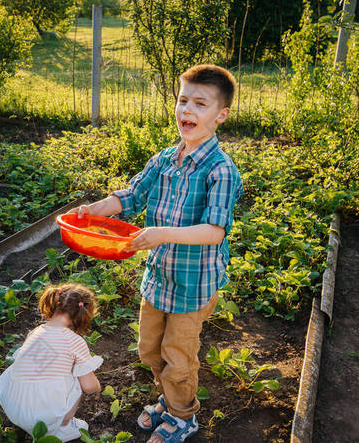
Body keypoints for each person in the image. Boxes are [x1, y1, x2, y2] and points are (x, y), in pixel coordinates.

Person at [70, 64, 243, 443]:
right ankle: (167, 397)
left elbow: (214, 232)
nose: (187, 111)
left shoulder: (221, 170)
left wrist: (162, 233)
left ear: (221, 114)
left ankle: (183, 415)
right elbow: (132, 195)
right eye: (183, 101)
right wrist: (94, 210)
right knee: (150, 349)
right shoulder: (165, 159)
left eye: (200, 104)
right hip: (159, 278)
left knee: (178, 358)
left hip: (193, 285)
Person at [0, 282, 103, 442]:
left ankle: (29, 424)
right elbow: (89, 387)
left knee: (39, 367)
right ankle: (61, 427)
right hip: (44, 418)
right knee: (76, 378)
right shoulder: (74, 341)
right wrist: (98, 387)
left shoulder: (36, 331)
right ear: (83, 314)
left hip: (12, 406)